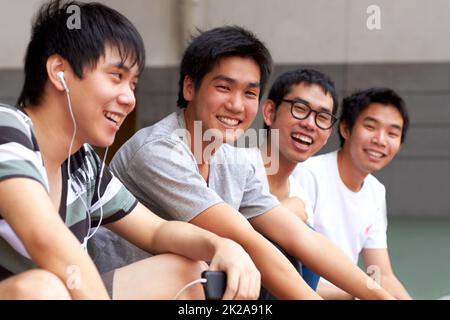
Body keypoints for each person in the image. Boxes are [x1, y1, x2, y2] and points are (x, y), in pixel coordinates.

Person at [0, 0, 261, 300]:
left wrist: (221, 245)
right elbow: (45, 238)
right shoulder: (9, 130)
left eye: (133, 84)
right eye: (116, 77)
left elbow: (156, 232)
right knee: (41, 290)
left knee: (187, 270)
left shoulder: (84, 164)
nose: (129, 98)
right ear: (60, 71)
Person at [111, 26, 394, 300]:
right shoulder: (159, 151)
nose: (236, 105)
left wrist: (378, 294)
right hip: (120, 288)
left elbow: (300, 238)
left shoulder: (234, 159)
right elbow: (247, 240)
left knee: (293, 239)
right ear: (189, 87)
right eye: (224, 87)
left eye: (249, 93)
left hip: (192, 289)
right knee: (227, 258)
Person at [293, 87, 412, 299]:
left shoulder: (376, 191)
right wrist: (358, 294)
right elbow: (290, 276)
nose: (380, 140)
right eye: (370, 127)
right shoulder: (308, 175)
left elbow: (382, 274)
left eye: (392, 133)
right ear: (346, 129)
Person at [245, 68, 340, 292]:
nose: (310, 123)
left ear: (327, 134)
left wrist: (357, 292)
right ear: (269, 112)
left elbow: (299, 282)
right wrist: (282, 213)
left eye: (322, 117)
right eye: (300, 109)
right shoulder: (234, 169)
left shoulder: (301, 194)